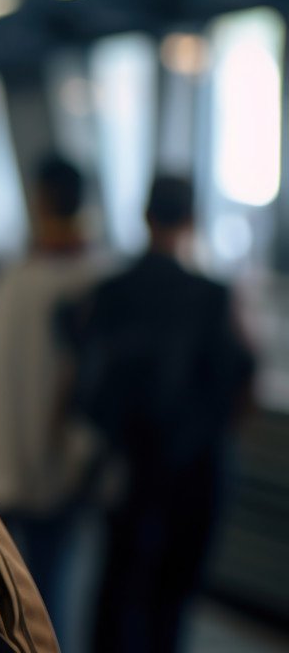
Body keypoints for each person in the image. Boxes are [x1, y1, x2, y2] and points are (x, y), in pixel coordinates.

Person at [64, 175, 255, 653]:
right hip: (196, 472)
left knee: (116, 591)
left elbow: (84, 383)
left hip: (127, 469)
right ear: (192, 220)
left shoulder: (110, 294)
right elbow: (239, 378)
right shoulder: (216, 298)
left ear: (145, 217)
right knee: (171, 602)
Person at [0, 154, 110, 646]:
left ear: (40, 200)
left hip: (8, 463)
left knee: (4, 593)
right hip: (66, 465)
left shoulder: (17, 279)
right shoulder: (101, 276)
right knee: (53, 593)